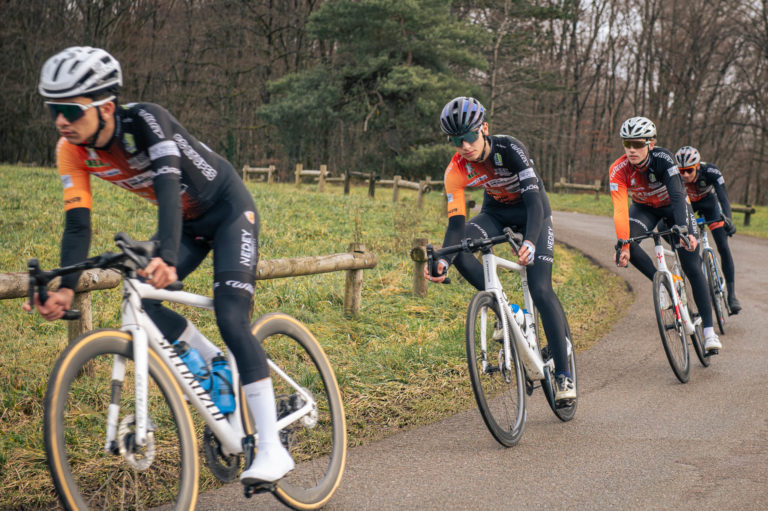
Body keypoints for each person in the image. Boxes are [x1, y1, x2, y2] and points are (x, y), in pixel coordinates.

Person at [27, 46, 293, 485]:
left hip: (227, 212)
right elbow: (77, 225)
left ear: (105, 106)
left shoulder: (147, 121)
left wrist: (166, 257)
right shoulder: (71, 150)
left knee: (230, 315)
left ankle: (271, 448)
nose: (60, 120)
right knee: (143, 300)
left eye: (69, 109)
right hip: (188, 225)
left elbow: (169, 187)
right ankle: (218, 370)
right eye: (53, 109)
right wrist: (65, 287)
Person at [425, 96, 576, 403]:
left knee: (540, 287)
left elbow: (535, 202)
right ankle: (510, 310)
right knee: (461, 246)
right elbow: (456, 226)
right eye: (456, 140)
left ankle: (564, 375)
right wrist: (443, 261)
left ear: (484, 129)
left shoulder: (510, 149)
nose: (465, 146)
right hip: (496, 213)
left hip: (535, 214)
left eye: (469, 136)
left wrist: (531, 241)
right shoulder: (456, 169)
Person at [609, 117, 721, 352]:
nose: (631, 149)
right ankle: (662, 286)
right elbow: (619, 209)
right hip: (644, 209)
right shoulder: (618, 169)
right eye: (627, 143)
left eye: (638, 144)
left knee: (692, 264)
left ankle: (709, 332)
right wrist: (624, 245)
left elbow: (679, 195)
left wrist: (684, 229)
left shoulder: (663, 159)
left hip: (673, 207)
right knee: (627, 242)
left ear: (650, 143)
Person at [674, 146, 741, 313]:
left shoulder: (711, 171)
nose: (685, 175)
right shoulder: (674, 176)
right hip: (689, 205)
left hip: (709, 204)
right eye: (681, 171)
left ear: (697, 166)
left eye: (689, 170)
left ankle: (732, 295)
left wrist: (728, 220)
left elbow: (723, 197)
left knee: (723, 246)